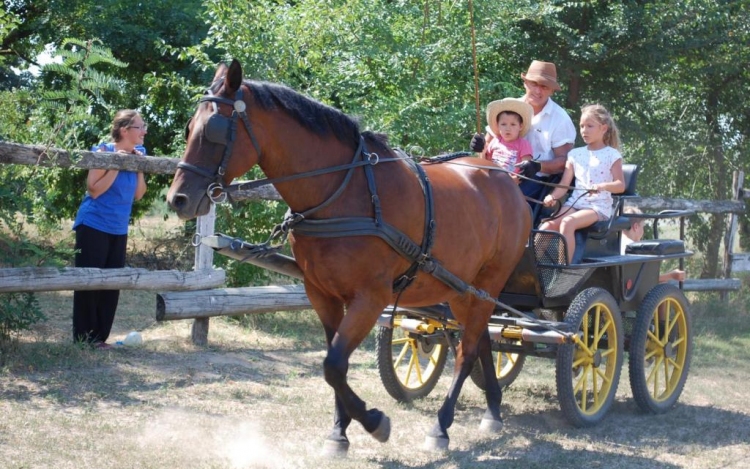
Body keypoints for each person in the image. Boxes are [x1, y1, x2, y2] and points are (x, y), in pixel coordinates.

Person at [72, 109, 148, 349]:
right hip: (93, 224)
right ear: (125, 130)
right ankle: (84, 339)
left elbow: (138, 194)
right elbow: (94, 189)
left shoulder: (141, 153)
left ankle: (100, 339)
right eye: (140, 126)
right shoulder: (102, 151)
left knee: (111, 284)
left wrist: (137, 164)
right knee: (89, 283)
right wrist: (117, 163)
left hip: (118, 228)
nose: (144, 131)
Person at [470, 60, 576, 204]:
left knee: (505, 202)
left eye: (544, 86)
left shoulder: (560, 119)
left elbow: (565, 161)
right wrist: (478, 145)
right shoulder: (507, 107)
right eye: (534, 84)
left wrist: (537, 166)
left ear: (552, 90)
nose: (538, 91)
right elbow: (487, 146)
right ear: (525, 83)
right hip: (495, 172)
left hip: (536, 179)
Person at [538, 104, 625, 264]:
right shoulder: (575, 154)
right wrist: (552, 196)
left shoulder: (612, 155)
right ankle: (532, 268)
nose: (584, 130)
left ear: (603, 128)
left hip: (597, 207)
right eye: (582, 126)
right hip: (575, 203)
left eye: (590, 126)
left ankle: (563, 270)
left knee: (567, 223)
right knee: (547, 226)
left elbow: (620, 185)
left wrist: (602, 186)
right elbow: (564, 185)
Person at [622, 206, 686, 283]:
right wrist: (671, 275)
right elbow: (644, 281)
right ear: (636, 227)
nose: (643, 231)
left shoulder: (614, 243)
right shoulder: (632, 249)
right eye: (642, 227)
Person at [475, 98, 533, 178]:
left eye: (513, 124)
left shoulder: (523, 144)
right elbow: (485, 161)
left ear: (520, 126)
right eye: (503, 124)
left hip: (512, 183)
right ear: (498, 126)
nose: (508, 128)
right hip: (492, 179)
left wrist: (516, 179)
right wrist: (482, 151)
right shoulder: (495, 141)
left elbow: (526, 166)